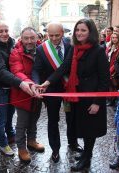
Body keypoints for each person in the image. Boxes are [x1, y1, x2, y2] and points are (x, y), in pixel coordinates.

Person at [36, 18, 110, 171]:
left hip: (91, 98)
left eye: (83, 30)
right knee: (83, 126)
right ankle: (84, 155)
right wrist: (48, 83)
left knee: (90, 130)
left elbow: (104, 80)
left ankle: (87, 158)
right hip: (78, 95)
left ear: (90, 32)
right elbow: (64, 67)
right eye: (77, 30)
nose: (79, 33)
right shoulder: (75, 48)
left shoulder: (98, 50)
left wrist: (97, 102)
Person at [32, 22, 81, 163]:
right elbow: (36, 69)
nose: (53, 38)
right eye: (50, 35)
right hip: (52, 90)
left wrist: (48, 81)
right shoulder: (42, 49)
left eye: (57, 35)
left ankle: (73, 143)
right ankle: (55, 149)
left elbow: (66, 67)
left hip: (69, 87)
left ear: (63, 33)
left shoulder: (70, 44)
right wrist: (36, 83)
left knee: (71, 117)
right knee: (53, 120)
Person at [0, 20, 33, 156]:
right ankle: (3, 144)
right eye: (1, 31)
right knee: (1, 118)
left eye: (6, 30)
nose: (4, 34)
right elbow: (0, 72)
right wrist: (20, 83)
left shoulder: (11, 43)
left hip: (10, 86)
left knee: (10, 114)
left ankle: (10, 135)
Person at [9, 27, 44, 163]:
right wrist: (30, 84)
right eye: (26, 38)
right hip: (23, 93)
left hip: (39, 92)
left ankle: (32, 140)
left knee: (34, 119)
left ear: (37, 38)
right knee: (22, 123)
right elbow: (17, 71)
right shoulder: (16, 53)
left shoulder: (42, 50)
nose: (29, 41)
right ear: (21, 39)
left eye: (32, 38)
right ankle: (22, 148)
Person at [106, 32, 119, 106]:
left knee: (115, 84)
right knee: (109, 84)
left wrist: (112, 69)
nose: (114, 39)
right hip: (108, 66)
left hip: (115, 68)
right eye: (113, 38)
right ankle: (110, 99)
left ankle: (113, 100)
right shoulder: (109, 46)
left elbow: (118, 61)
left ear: (118, 38)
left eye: (116, 37)